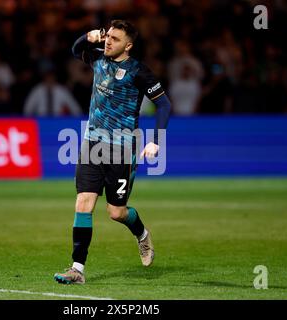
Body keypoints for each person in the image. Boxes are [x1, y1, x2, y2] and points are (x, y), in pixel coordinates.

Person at [54, 20, 171, 284]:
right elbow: (75, 50)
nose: (108, 42)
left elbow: (163, 105)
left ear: (128, 45)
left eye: (115, 39)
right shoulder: (98, 58)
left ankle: (141, 234)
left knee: (116, 212)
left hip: (121, 148)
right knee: (83, 203)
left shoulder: (139, 72)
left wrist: (156, 141)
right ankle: (77, 269)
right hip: (92, 143)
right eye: (107, 36)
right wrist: (89, 36)